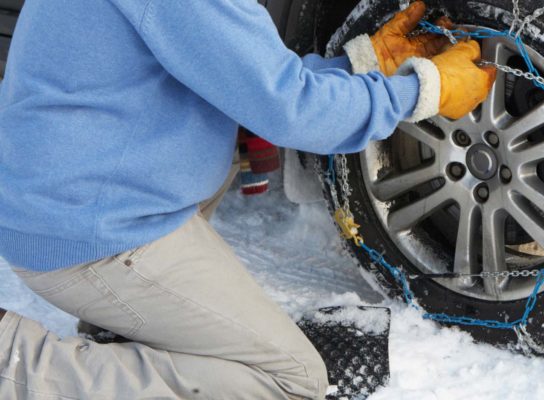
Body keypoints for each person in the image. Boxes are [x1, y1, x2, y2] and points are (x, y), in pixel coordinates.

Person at [0, 0, 494, 398]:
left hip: (86, 194)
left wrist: (362, 66)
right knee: (291, 380)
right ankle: (20, 363)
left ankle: (127, 330)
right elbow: (291, 110)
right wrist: (420, 92)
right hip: (89, 232)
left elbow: (245, 72)